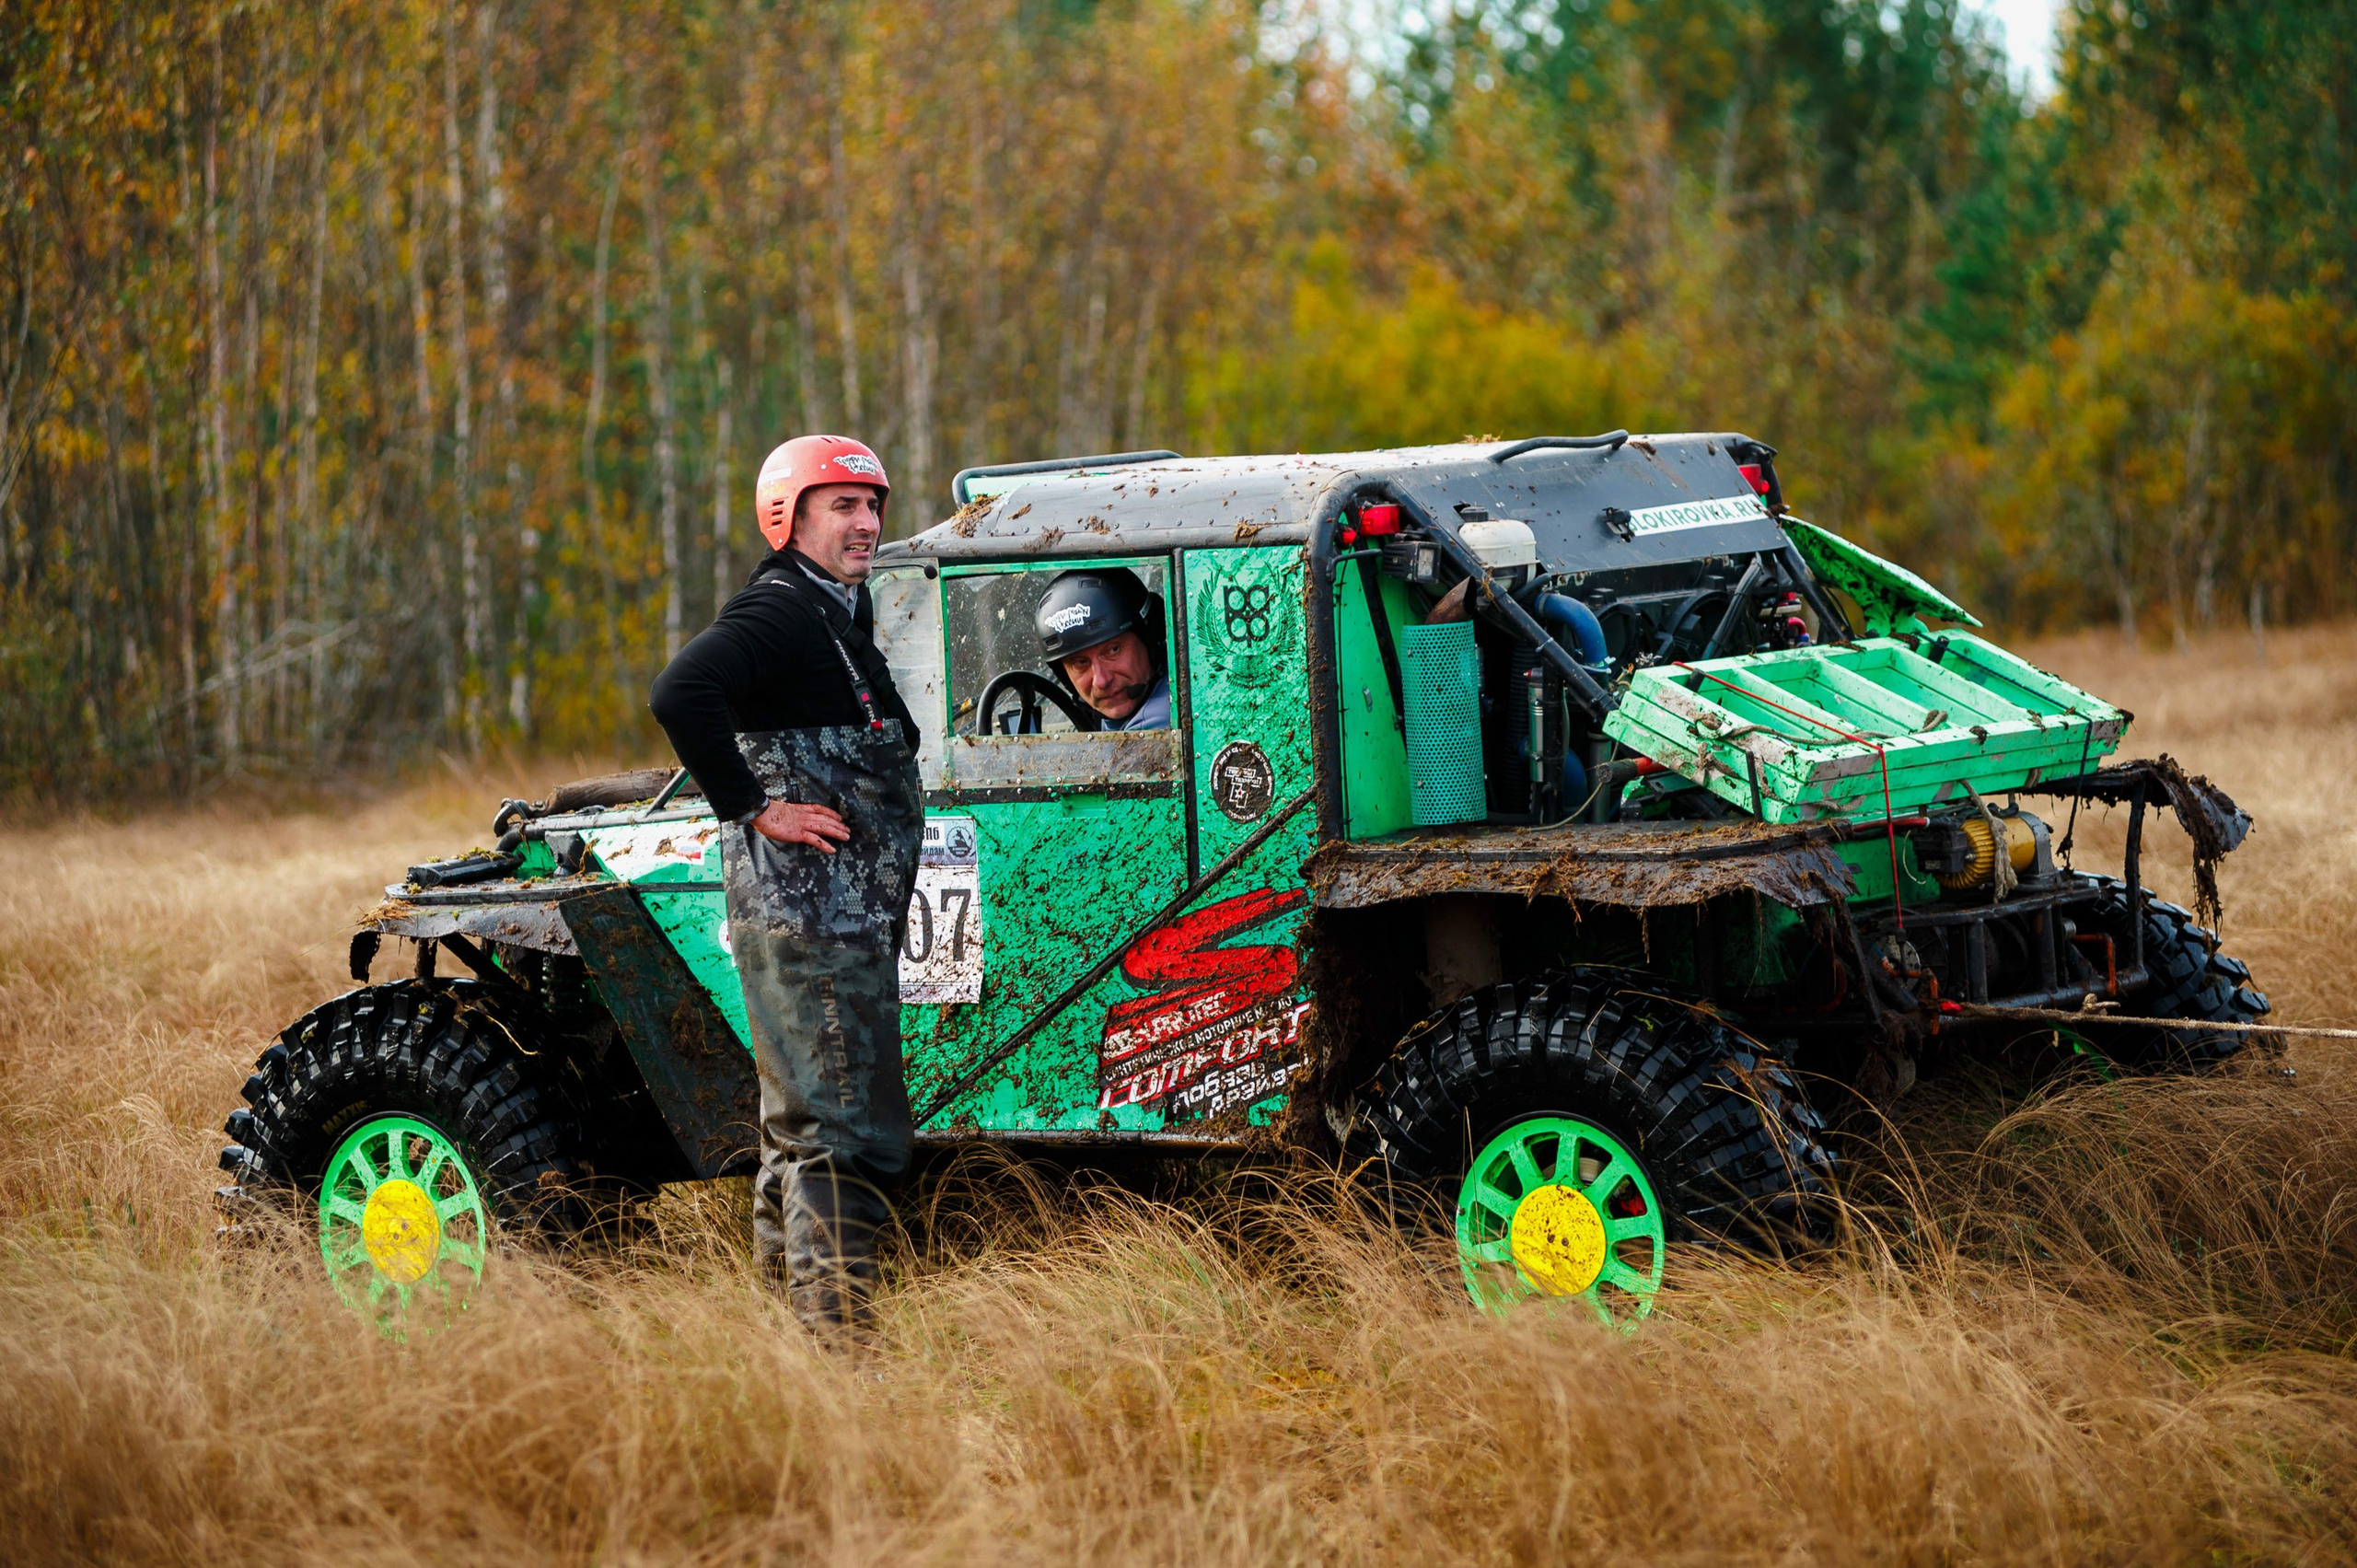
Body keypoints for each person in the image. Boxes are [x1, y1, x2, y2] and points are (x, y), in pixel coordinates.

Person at [647, 434, 922, 1335]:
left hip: (835, 922)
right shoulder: (780, 610)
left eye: (873, 503)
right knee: (839, 1137)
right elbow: (681, 690)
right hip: (813, 926)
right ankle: (839, 1352)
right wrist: (755, 806)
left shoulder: (836, 610)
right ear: (787, 515)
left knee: (800, 1127)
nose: (867, 521)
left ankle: (784, 1346)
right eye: (842, 504)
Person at [1033, 568, 1170, 730]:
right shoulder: (1120, 719)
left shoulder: (1161, 722)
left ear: (1150, 640)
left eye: (1113, 650)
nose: (1102, 681)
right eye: (1080, 662)